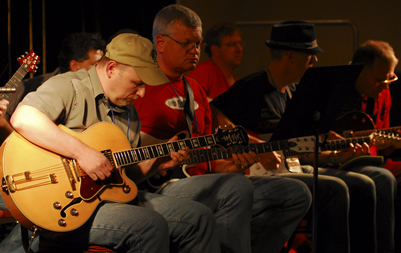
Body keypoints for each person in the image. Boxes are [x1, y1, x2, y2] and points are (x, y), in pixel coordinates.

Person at [1, 33, 223, 253]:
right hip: (58, 204)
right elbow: (24, 117)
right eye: (137, 83)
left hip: (104, 200)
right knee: (149, 225)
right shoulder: (69, 85)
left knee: (198, 218)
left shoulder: (130, 113)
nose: (142, 93)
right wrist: (83, 153)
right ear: (111, 69)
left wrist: (157, 161)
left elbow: (122, 175)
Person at [133, 5, 312, 253]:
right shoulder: (137, 87)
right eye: (187, 43)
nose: (195, 51)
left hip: (200, 180)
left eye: (198, 44)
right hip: (159, 185)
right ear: (160, 43)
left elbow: (207, 157)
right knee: (236, 188)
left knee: (296, 192)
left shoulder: (195, 89)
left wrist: (232, 165)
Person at [210, 21, 397, 253]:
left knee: (366, 183)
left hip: (293, 167)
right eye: (310, 55)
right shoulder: (252, 87)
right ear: (290, 56)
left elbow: (299, 148)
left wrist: (337, 156)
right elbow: (212, 113)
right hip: (261, 175)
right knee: (336, 189)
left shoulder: (294, 93)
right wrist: (256, 146)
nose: (315, 61)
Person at [0, 32, 107, 144]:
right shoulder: (28, 87)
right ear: (74, 66)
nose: (101, 69)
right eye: (96, 64)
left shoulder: (103, 93)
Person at [187, 22, 243, 101]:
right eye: (232, 44)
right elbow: (187, 95)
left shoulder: (237, 82)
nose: (240, 49)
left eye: (240, 43)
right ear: (215, 50)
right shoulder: (205, 70)